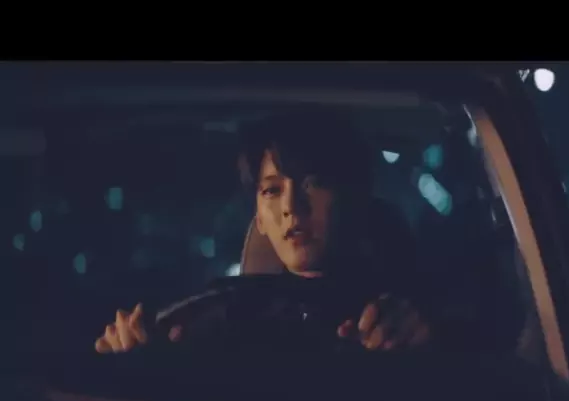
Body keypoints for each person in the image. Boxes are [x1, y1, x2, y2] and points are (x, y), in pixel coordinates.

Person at [94, 110, 432, 354]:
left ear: (354, 197)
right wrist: (130, 349)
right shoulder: (220, 311)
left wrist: (416, 338)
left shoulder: (398, 315)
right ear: (259, 219)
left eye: (313, 183)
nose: (291, 207)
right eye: (272, 190)